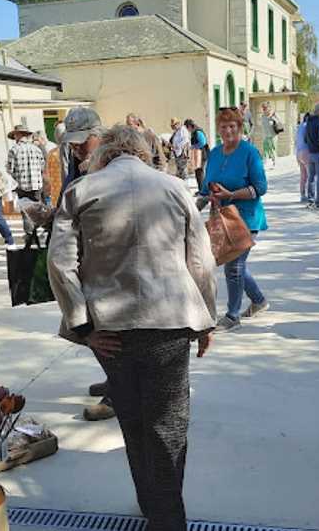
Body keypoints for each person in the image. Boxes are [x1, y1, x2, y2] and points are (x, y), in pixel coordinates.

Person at [48, 124, 216, 531]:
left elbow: (60, 264)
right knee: (169, 428)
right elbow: (201, 263)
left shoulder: (81, 191)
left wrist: (83, 326)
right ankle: (168, 518)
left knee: (133, 419)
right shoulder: (175, 187)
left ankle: (150, 502)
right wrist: (206, 319)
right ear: (145, 151)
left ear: (103, 153)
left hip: (111, 330)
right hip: (171, 322)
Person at [57, 107, 116, 421]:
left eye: (83, 140)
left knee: (101, 327)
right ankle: (114, 380)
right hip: (82, 257)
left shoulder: (109, 163)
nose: (77, 146)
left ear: (99, 134)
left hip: (106, 261)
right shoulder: (77, 160)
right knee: (83, 325)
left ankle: (118, 393)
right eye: (73, 142)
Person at [201, 107, 269, 332]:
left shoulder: (249, 152)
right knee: (236, 264)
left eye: (232, 126)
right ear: (218, 129)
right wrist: (204, 197)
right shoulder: (215, 153)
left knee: (234, 266)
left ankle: (232, 315)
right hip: (222, 218)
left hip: (246, 218)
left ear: (240, 128)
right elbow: (205, 187)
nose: (228, 130)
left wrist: (231, 194)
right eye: (223, 126)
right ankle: (258, 300)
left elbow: (260, 188)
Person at [7, 124, 46, 232]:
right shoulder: (37, 149)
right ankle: (39, 233)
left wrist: (17, 177)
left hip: (22, 186)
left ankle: (30, 235)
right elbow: (42, 166)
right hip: (37, 185)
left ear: (18, 135)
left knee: (26, 212)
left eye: (15, 135)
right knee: (37, 211)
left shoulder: (14, 150)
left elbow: (10, 170)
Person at [185, 119, 209, 191]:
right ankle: (201, 189)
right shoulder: (194, 132)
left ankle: (203, 190)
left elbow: (203, 142)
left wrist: (192, 147)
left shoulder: (198, 132)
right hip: (198, 154)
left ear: (189, 126)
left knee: (200, 172)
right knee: (197, 172)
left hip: (202, 154)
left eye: (187, 127)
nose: (187, 129)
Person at [295, 113, 311, 202]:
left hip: (298, 152)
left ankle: (302, 195)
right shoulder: (308, 126)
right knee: (310, 175)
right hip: (306, 152)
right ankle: (310, 195)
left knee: (303, 175)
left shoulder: (299, 127)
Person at [260, 103, 278, 167]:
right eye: (263, 108)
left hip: (272, 135)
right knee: (265, 149)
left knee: (273, 149)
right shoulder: (262, 116)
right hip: (265, 135)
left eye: (265, 108)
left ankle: (274, 162)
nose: (264, 109)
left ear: (268, 108)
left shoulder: (273, 115)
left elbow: (278, 122)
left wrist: (272, 117)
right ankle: (266, 161)